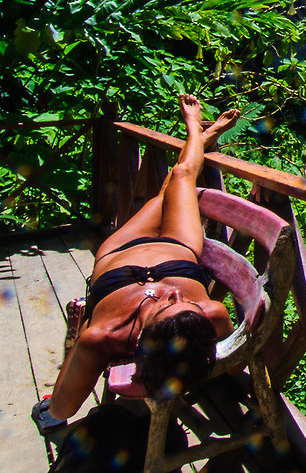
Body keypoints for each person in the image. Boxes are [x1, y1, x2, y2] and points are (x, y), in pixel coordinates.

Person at [46, 94, 239, 421]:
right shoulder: (210, 313)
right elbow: (233, 360)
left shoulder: (103, 336)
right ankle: (197, 132)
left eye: (166, 306)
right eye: (184, 302)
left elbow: (59, 409)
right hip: (178, 251)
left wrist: (75, 337)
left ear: (140, 343)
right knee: (180, 179)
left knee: (171, 186)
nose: (174, 293)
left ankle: (200, 137)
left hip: (121, 252)